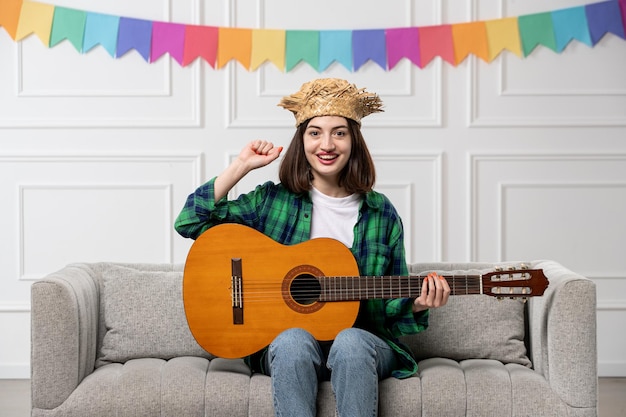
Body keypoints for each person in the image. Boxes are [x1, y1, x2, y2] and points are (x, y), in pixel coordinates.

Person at [175, 78, 450, 417]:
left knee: (350, 341)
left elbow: (391, 312)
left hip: (362, 343)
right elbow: (189, 221)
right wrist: (241, 166)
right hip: (283, 343)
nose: (327, 144)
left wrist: (420, 305)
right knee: (293, 339)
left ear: (353, 142)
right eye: (315, 132)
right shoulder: (272, 201)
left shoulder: (381, 213)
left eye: (339, 132)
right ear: (302, 140)